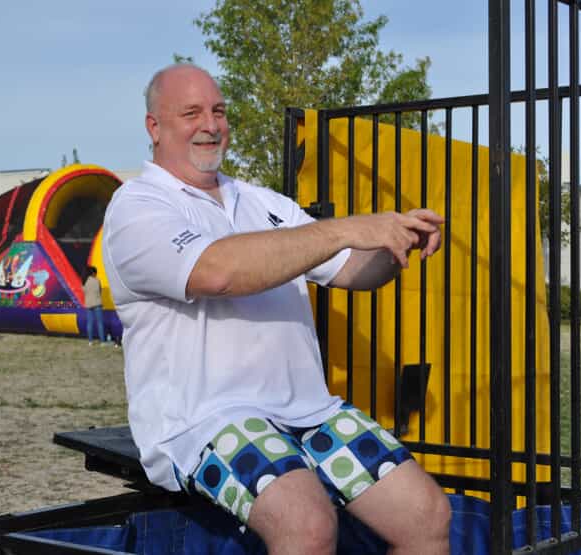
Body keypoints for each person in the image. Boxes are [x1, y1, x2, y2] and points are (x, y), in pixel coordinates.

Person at [103, 63, 451, 554]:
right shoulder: (137, 206)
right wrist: (343, 228)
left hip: (309, 413)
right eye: (192, 112)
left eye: (219, 111)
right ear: (154, 127)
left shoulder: (263, 201)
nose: (210, 124)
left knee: (426, 514)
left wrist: (397, 246)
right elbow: (217, 273)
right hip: (206, 420)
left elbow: (353, 271)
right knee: (306, 523)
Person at [82, 265, 106, 346]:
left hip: (88, 304)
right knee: (100, 323)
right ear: (93, 273)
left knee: (89, 323)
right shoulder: (97, 280)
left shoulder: (84, 282)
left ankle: (90, 341)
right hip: (97, 303)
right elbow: (100, 291)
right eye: (96, 273)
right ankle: (102, 341)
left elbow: (84, 292)